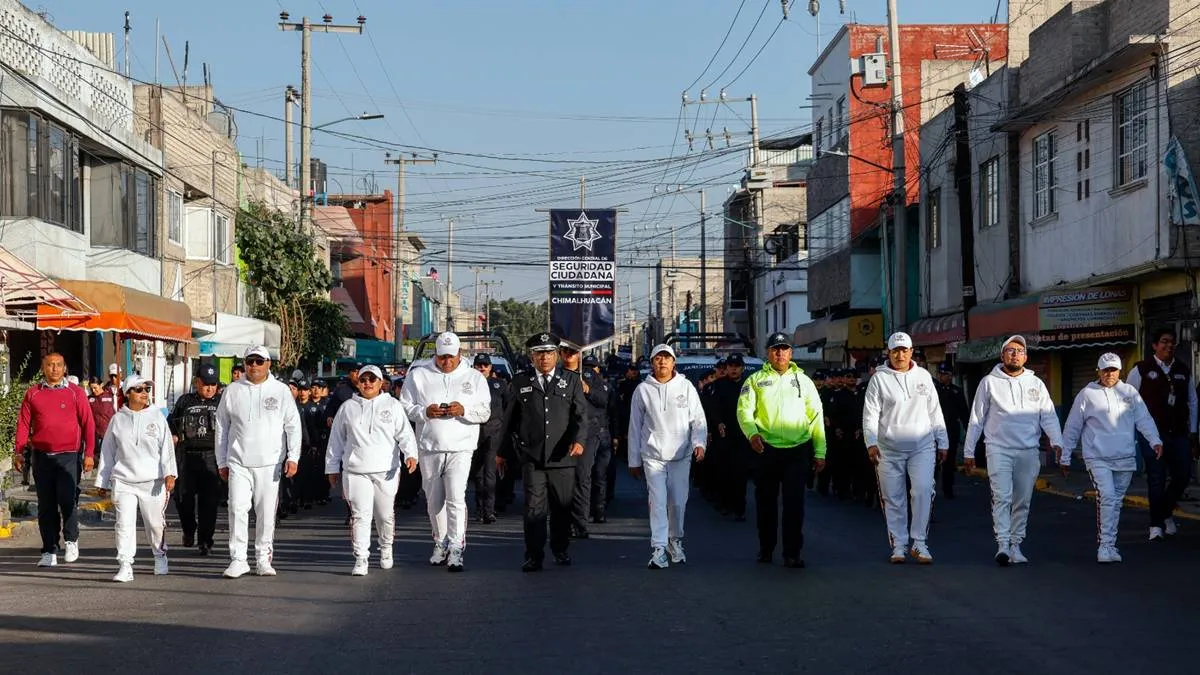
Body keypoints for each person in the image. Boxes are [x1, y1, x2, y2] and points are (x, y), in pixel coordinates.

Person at [962, 335, 1063, 566]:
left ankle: (1017, 544)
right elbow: (977, 419)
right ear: (1002, 355)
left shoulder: (1035, 383)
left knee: (1022, 499)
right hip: (998, 448)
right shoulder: (989, 382)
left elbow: (1047, 415)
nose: (1015, 354)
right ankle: (1003, 545)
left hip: (1028, 449)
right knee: (1002, 497)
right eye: (1010, 350)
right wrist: (969, 451)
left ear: (1025, 357)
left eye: (1019, 351)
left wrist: (1058, 442)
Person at [399, 333, 492, 572]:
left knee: (455, 497)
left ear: (460, 354)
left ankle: (456, 547)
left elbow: (485, 412)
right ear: (435, 354)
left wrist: (464, 410)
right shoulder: (418, 375)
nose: (447, 361)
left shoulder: (474, 377)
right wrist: (425, 412)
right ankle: (440, 542)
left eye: (451, 356)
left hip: (461, 447)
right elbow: (404, 407)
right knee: (433, 500)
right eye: (442, 357)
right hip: (429, 447)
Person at [1060, 353, 1163, 563]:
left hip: (1125, 456)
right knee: (1106, 497)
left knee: (1115, 502)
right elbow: (1073, 426)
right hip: (1097, 457)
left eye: (1113, 369)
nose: (1110, 374)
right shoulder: (1087, 394)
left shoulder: (1129, 392)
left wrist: (1155, 440)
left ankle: (1111, 544)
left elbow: (1143, 418)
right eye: (1106, 370)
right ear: (1098, 371)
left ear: (1120, 371)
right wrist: (1065, 455)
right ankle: (1105, 546)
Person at [736, 333, 826, 568]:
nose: (780, 353)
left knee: (794, 504)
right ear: (768, 353)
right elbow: (744, 412)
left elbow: (816, 416)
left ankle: (792, 553)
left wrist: (820, 452)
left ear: (791, 353)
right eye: (776, 349)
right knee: (766, 503)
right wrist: (752, 434)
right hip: (766, 450)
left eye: (784, 349)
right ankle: (766, 548)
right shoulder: (755, 380)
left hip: (797, 450)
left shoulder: (803, 381)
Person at [501, 332, 587, 572]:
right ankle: (533, 555)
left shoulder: (570, 381)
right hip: (533, 457)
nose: (544, 358)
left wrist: (579, 441)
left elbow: (581, 416)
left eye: (549, 353)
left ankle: (560, 549)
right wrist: (501, 452)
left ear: (557, 355)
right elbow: (509, 420)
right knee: (534, 509)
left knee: (562, 507)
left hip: (563, 457)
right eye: (539, 354)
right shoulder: (520, 382)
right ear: (532, 357)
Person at [214, 345, 302, 579]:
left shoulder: (281, 390)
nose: (254, 365)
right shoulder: (233, 390)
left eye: (259, 361)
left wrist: (293, 456)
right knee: (237, 509)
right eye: (250, 361)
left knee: (265, 513)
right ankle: (238, 559)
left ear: (268, 364)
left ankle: (263, 558)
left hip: (270, 462)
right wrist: (221, 460)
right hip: (238, 461)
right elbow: (222, 427)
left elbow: (293, 425)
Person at [862, 332, 949, 564]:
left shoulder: (923, 376)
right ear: (888, 353)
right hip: (887, 449)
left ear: (912, 352)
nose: (900, 355)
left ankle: (919, 543)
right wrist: (871, 442)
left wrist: (943, 441)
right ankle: (898, 544)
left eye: (904, 350)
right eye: (895, 351)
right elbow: (870, 415)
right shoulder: (879, 380)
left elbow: (935, 411)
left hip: (922, 446)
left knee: (921, 490)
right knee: (893, 497)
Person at [326, 365, 419, 576]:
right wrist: (332, 467)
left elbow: (405, 433)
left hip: (386, 470)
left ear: (380, 383)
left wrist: (411, 455)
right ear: (358, 382)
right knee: (360, 515)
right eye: (364, 379)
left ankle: (386, 548)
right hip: (356, 470)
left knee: (385, 515)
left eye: (372, 379)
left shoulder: (393, 405)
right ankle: (361, 557)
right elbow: (336, 441)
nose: (367, 383)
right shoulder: (348, 407)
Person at [627, 344, 707, 569]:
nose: (662, 362)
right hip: (653, 456)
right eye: (658, 358)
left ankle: (675, 540)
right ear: (652, 363)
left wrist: (699, 444)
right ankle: (659, 548)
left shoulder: (686, 387)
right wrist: (634, 460)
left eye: (666, 358)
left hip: (681, 455)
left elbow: (698, 419)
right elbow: (635, 427)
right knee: (658, 502)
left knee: (678, 503)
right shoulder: (643, 390)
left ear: (674, 362)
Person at [14, 352, 96, 567]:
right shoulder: (33, 394)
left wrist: (89, 454)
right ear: (43, 368)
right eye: (50, 365)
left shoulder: (75, 393)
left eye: (59, 365)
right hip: (42, 457)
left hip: (69, 455)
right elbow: (23, 424)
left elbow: (88, 424)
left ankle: (71, 539)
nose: (54, 369)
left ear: (65, 368)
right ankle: (49, 549)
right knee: (46, 505)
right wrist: (18, 450)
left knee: (67, 500)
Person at [94, 375, 177, 582]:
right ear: (128, 393)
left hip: (153, 482)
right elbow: (108, 452)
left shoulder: (157, 417)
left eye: (147, 389)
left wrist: (170, 473)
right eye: (139, 390)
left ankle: (160, 556)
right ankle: (125, 564)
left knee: (155, 524)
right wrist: (102, 482)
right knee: (123, 524)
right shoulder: (117, 419)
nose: (144, 393)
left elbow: (166, 447)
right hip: (124, 481)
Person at [1126, 328, 1198, 541]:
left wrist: (1193, 432)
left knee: (1183, 475)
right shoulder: (1140, 370)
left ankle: (1165, 511)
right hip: (1151, 435)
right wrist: (1130, 434)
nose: (1169, 346)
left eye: (1172, 342)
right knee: (1156, 478)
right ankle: (1156, 524)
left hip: (1179, 433)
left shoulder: (1183, 370)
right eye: (1164, 342)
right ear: (1155, 346)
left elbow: (1193, 402)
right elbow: (1128, 402)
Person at [167, 363, 223, 555]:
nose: (209, 388)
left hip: (212, 458)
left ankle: (206, 540)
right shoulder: (185, 401)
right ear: (197, 382)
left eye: (213, 384)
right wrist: (173, 436)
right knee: (183, 500)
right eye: (205, 383)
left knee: (209, 502)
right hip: (187, 458)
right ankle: (189, 530)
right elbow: (171, 425)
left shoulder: (223, 402)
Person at [558, 342, 609, 538]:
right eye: (566, 351)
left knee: (582, 477)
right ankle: (564, 522)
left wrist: (587, 389)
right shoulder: (556, 375)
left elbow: (604, 400)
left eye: (573, 352)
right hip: (562, 433)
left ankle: (580, 523)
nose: (569, 355)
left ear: (579, 354)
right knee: (562, 481)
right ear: (561, 354)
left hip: (587, 433)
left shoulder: (589, 375)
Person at [470, 353, 508, 524]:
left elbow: (509, 408)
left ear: (491, 368)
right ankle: (479, 510)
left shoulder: (500, 385)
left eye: (485, 365)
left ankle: (489, 511)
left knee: (490, 472)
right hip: (474, 431)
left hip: (495, 431)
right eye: (479, 365)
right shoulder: (468, 385)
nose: (482, 368)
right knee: (477, 473)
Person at [713, 353, 752, 520]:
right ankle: (725, 503)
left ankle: (739, 508)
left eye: (737, 366)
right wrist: (718, 422)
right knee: (724, 472)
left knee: (740, 474)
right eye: (731, 366)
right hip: (724, 436)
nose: (734, 369)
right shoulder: (719, 385)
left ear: (742, 368)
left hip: (743, 436)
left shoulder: (749, 386)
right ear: (726, 368)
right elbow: (713, 408)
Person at [581, 353, 613, 525]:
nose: (589, 372)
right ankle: (583, 514)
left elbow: (609, 406)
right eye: (585, 367)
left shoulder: (605, 387)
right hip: (584, 434)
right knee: (584, 476)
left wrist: (589, 390)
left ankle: (599, 510)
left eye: (592, 368)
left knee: (600, 475)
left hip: (603, 434)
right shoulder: (574, 383)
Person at [934, 362, 970, 499]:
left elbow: (964, 413)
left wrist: (968, 430)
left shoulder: (957, 391)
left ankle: (948, 488)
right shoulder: (934, 390)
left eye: (947, 374)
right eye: (942, 374)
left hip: (951, 429)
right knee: (934, 462)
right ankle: (931, 488)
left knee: (949, 461)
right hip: (936, 430)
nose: (944, 377)